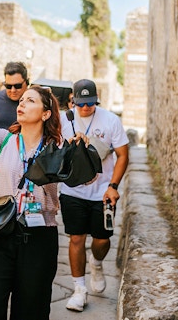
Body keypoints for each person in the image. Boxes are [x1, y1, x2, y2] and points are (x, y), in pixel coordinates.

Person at [0, 55, 63, 320]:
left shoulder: (58, 149)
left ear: (46, 113)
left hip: (39, 236)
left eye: (30, 100)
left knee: (32, 310)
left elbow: (84, 178)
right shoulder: (3, 140)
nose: (21, 103)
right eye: (20, 101)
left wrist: (82, 151)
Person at [60, 79, 129, 312]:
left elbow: (123, 155)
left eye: (91, 103)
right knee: (76, 238)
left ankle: (97, 263)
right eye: (81, 104)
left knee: (102, 239)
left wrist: (113, 186)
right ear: (73, 100)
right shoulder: (63, 120)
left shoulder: (110, 120)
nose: (86, 108)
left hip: (102, 192)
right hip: (73, 190)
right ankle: (79, 289)